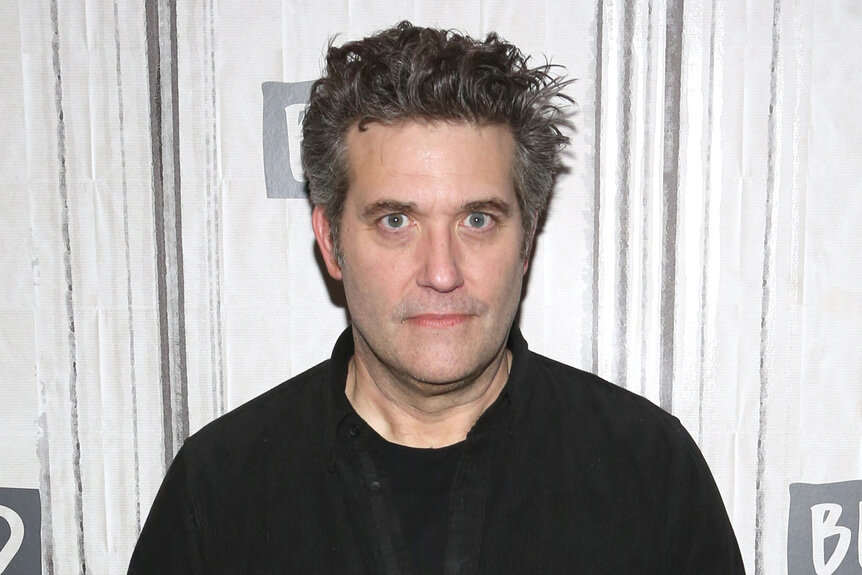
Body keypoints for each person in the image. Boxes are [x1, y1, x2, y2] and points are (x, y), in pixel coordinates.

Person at [128, 21, 744, 574]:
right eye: (396, 221)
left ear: (526, 238)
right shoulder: (219, 490)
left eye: (477, 220)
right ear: (330, 240)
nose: (442, 272)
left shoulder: (650, 473)